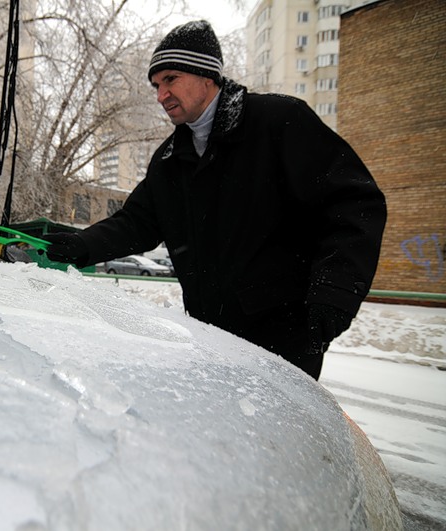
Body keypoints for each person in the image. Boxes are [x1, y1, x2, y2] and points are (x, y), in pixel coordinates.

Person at [42, 20, 386, 380]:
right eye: (156, 85)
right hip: (211, 338)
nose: (161, 95)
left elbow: (354, 203)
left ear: (207, 75)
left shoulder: (278, 123)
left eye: (170, 79)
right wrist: (80, 245)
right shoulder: (171, 159)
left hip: (285, 340)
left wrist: (333, 294)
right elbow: (138, 223)